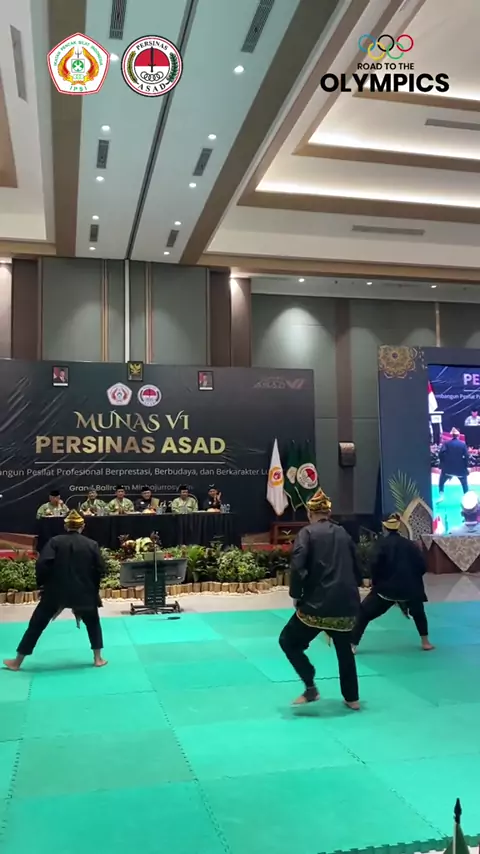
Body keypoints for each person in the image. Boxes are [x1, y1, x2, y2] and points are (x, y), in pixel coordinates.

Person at [279, 488, 361, 709]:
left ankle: (310, 686)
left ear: (309, 512)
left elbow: (298, 567)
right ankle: (352, 698)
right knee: (344, 651)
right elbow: (357, 566)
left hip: (318, 605)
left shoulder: (307, 533)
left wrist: (297, 595)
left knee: (287, 641)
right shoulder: (344, 533)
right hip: (346, 604)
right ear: (329, 513)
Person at [3, 510, 107, 671]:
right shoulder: (91, 544)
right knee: (93, 623)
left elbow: (42, 564)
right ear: (82, 526)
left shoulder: (54, 542)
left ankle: (17, 662)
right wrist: (92, 589)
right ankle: (98, 658)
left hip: (55, 591)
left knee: (36, 624)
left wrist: (43, 585)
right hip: (84, 591)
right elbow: (100, 569)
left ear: (66, 526)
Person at [351, 513, 434, 652]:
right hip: (411, 589)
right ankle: (425, 642)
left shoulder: (381, 545)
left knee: (364, 613)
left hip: (387, 590)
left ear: (384, 527)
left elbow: (374, 566)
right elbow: (422, 566)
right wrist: (413, 579)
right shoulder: (411, 545)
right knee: (419, 613)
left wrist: (376, 584)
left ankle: (352, 645)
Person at [438, 428, 469, 501]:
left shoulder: (446, 443)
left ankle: (441, 496)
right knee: (464, 484)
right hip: (460, 469)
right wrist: (466, 466)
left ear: (451, 435)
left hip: (448, 469)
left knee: (441, 482)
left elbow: (441, 454)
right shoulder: (462, 444)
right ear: (459, 435)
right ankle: (467, 498)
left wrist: (443, 463)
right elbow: (466, 456)